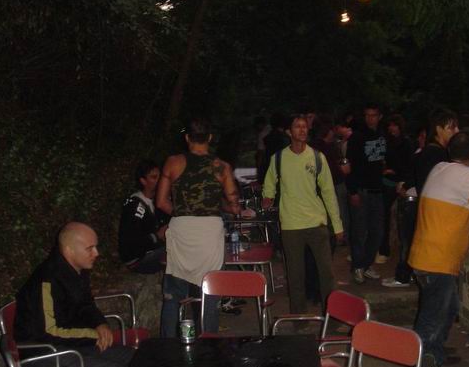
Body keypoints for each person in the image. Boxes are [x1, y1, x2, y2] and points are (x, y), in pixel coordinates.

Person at [408, 132, 469, 367]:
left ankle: (434, 353)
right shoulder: (468, 177)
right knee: (432, 317)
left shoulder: (439, 168)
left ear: (449, 152)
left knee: (448, 308)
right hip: (437, 260)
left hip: (424, 255)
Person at [14, 222, 135, 367]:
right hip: (43, 356)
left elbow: (85, 304)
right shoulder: (47, 280)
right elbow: (48, 331)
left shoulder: (78, 269)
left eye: (96, 247)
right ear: (69, 250)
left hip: (71, 346)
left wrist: (100, 323)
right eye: (90, 248)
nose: (96, 253)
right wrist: (93, 335)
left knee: (137, 359)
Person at [156, 117, 241, 337]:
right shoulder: (222, 167)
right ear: (210, 138)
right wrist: (215, 206)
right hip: (209, 233)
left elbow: (161, 202)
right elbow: (234, 207)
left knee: (173, 295)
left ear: (187, 138)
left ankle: (167, 345)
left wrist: (184, 213)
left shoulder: (172, 163)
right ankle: (208, 344)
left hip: (181, 230)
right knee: (209, 293)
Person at [262, 115, 344, 313]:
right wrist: (268, 196)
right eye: (297, 126)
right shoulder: (278, 158)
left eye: (305, 127)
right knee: (295, 276)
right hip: (291, 225)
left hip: (317, 223)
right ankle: (298, 319)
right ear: (289, 132)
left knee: (327, 274)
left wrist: (337, 225)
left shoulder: (317, 157)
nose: (302, 130)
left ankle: (331, 316)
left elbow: (328, 192)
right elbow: (269, 182)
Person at [346, 104, 386, 284]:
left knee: (377, 231)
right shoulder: (357, 137)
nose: (371, 118)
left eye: (374, 115)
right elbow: (350, 166)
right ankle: (358, 266)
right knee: (359, 231)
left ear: (379, 116)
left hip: (377, 189)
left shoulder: (381, 135)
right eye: (368, 115)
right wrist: (353, 191)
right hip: (361, 190)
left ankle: (366, 263)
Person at [118, 160, 169, 274]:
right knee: (180, 251)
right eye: (154, 177)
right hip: (138, 260)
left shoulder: (158, 200)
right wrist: (157, 236)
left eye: (160, 176)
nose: (159, 180)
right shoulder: (135, 206)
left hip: (153, 251)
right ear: (143, 181)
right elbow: (131, 244)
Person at [378, 114, 414, 265]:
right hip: (387, 183)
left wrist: (396, 172)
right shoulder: (387, 142)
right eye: (390, 125)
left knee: (403, 221)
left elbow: (409, 166)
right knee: (384, 217)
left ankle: (405, 255)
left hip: (402, 184)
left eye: (394, 125)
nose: (391, 128)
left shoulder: (407, 143)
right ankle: (383, 250)